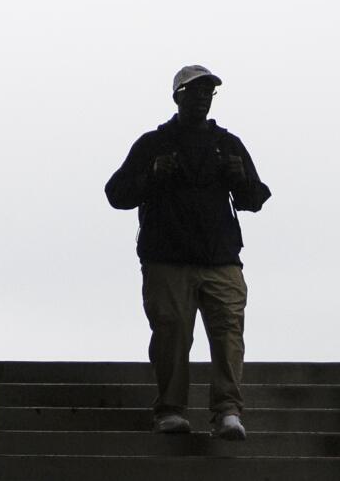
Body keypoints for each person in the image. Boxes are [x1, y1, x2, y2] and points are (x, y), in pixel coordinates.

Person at [105, 63, 271, 440]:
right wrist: (152, 176)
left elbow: (254, 198)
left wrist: (237, 177)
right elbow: (116, 194)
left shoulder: (228, 143)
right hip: (167, 260)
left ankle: (228, 411)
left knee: (229, 335)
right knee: (172, 336)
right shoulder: (152, 143)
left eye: (208, 92)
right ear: (177, 96)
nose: (202, 99)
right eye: (194, 91)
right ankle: (171, 410)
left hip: (221, 259)